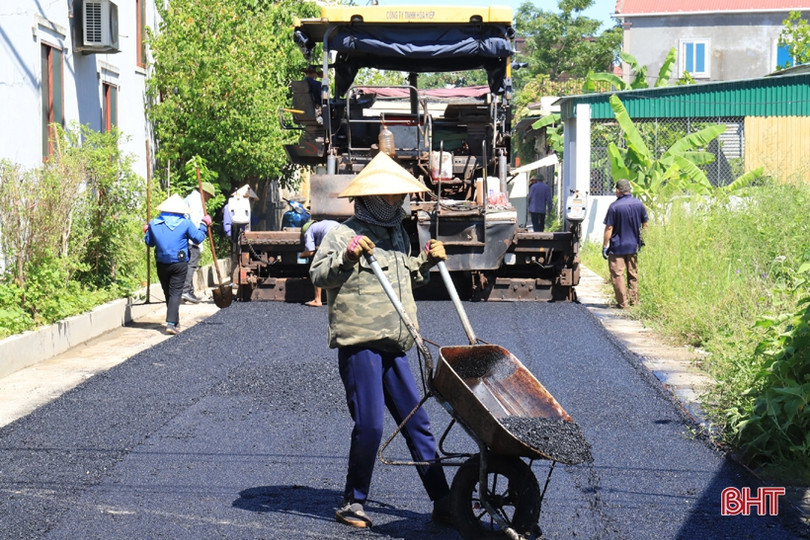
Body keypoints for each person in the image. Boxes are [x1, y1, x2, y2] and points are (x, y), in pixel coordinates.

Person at [309, 152, 453, 529]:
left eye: (400, 194)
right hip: (361, 344)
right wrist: (348, 255)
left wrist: (427, 261)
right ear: (372, 197)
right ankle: (352, 502)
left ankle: (444, 501)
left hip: (395, 343)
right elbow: (319, 276)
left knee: (417, 423)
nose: (399, 200)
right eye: (391, 195)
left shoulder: (398, 235)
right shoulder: (344, 234)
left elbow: (406, 278)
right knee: (371, 425)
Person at [144, 194, 210, 335]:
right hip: (179, 263)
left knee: (168, 292)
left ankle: (175, 321)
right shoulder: (185, 223)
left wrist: (147, 232)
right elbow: (198, 239)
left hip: (161, 263)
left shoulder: (154, 224)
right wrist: (204, 225)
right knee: (175, 292)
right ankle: (170, 323)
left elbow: (149, 243)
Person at [602, 179, 649, 309]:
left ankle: (623, 303)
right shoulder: (638, 204)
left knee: (618, 275)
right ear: (629, 190)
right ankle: (634, 302)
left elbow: (609, 228)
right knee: (633, 274)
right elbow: (645, 224)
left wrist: (605, 246)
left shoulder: (614, 207)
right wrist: (643, 240)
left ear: (618, 191)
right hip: (634, 246)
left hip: (617, 247)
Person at [182, 181, 217, 304]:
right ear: (204, 192)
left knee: (187, 264)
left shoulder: (190, 198)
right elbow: (195, 221)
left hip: (184, 238)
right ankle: (185, 290)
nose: (208, 199)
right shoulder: (196, 201)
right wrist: (203, 225)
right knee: (191, 264)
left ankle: (188, 290)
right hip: (192, 239)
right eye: (209, 196)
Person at [300, 219, 340, 307]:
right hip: (341, 234)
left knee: (318, 267)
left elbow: (310, 252)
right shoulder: (322, 224)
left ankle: (317, 300)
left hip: (330, 236)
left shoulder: (309, 231)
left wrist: (301, 255)